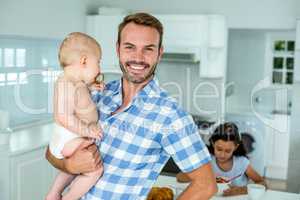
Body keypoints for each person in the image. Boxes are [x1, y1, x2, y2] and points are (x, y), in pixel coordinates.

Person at [46, 13, 217, 200]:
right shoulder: (94, 94)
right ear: (118, 49)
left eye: (148, 49)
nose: (138, 57)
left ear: (159, 53)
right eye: (130, 47)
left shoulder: (170, 115)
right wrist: (69, 166)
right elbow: (51, 151)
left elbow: (206, 185)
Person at [46, 32, 105, 200]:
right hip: (68, 137)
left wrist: (91, 87)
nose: (99, 68)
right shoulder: (65, 84)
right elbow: (63, 117)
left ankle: (54, 193)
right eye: (98, 62)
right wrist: (87, 130)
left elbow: (80, 98)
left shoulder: (75, 82)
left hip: (71, 137)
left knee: (75, 167)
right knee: (95, 170)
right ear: (84, 61)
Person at [176, 122, 266, 196]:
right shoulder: (207, 160)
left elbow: (262, 183)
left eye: (228, 151)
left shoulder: (242, 163)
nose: (222, 155)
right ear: (212, 143)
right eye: (219, 149)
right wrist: (200, 174)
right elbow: (179, 178)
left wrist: (242, 190)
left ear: (235, 147)